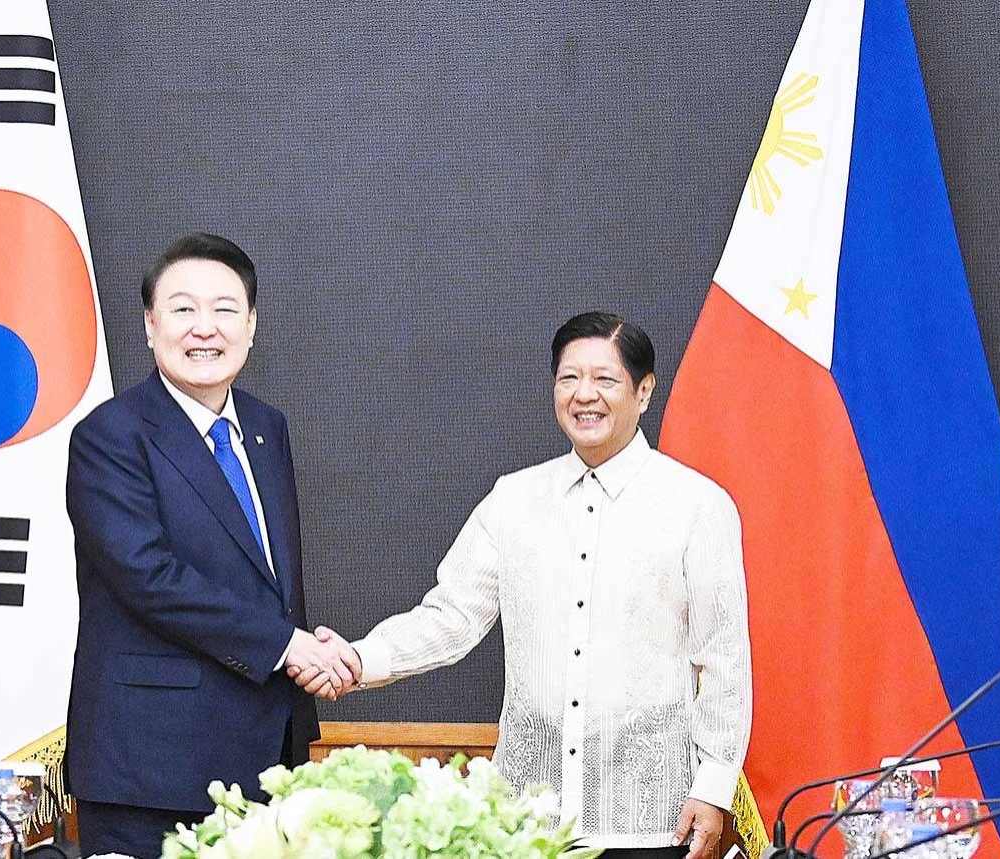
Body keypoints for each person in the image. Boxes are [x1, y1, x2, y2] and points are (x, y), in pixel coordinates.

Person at [293, 311, 751, 859]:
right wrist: (356, 661)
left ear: (644, 389)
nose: (585, 394)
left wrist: (715, 783)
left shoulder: (697, 506)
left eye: (605, 379)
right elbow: (451, 616)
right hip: (528, 819)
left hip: (650, 823)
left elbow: (723, 658)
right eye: (569, 378)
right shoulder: (514, 500)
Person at [64, 233, 361, 858]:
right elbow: (149, 577)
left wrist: (302, 648)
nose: (206, 328)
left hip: (266, 757)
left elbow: (269, 579)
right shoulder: (111, 436)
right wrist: (287, 646)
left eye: (226, 310)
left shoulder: (264, 427)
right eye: (183, 309)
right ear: (150, 325)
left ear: (251, 326)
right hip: (150, 769)